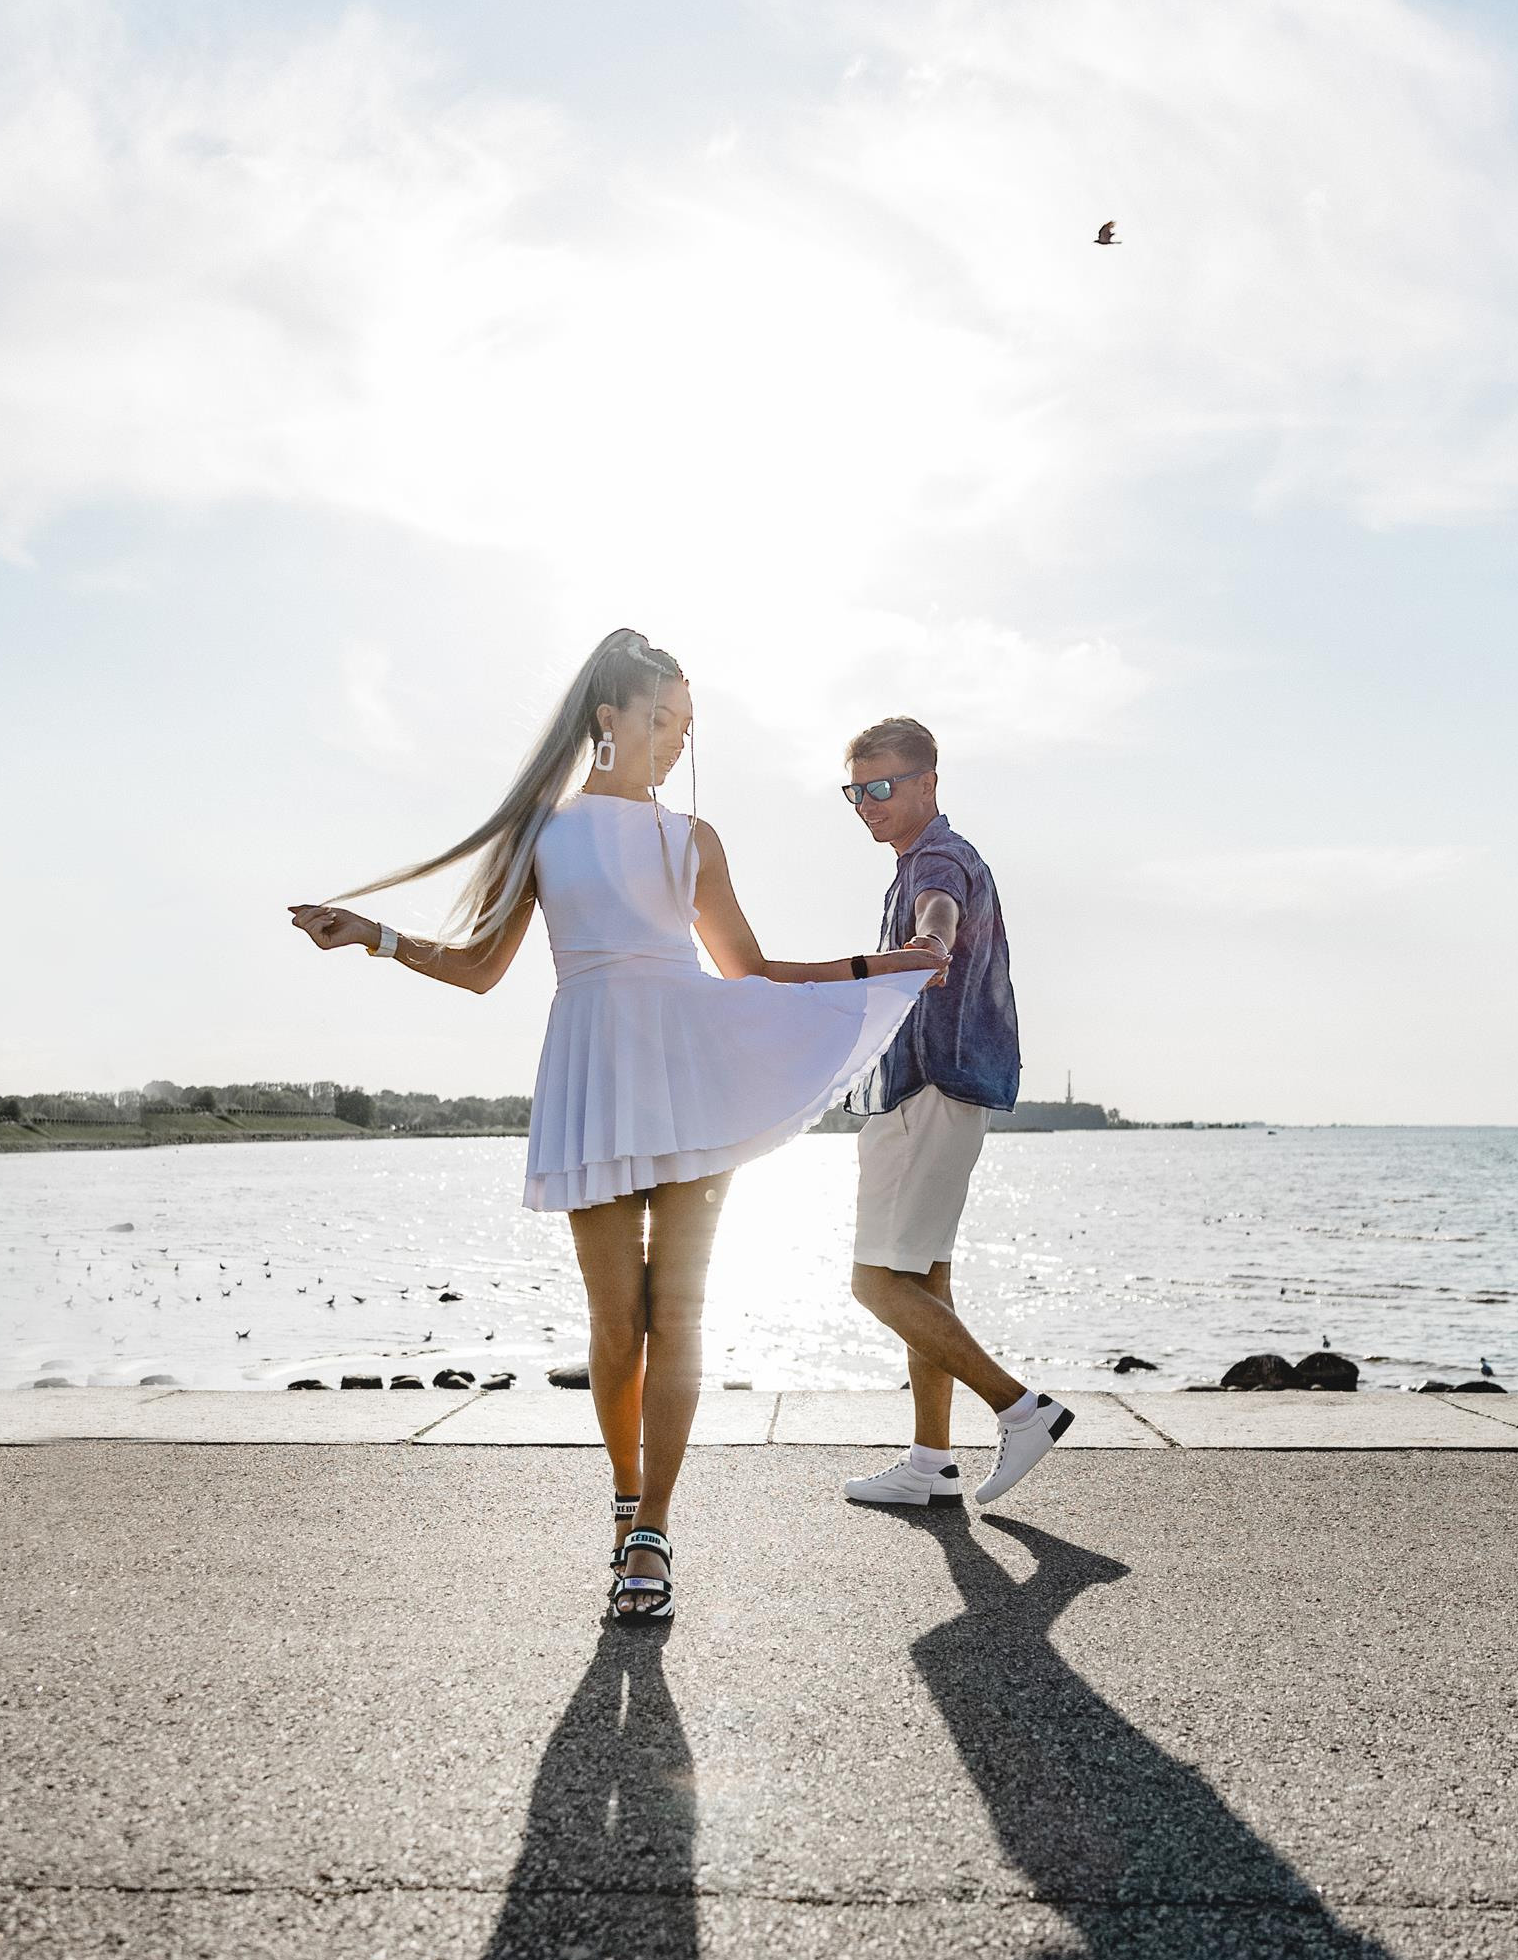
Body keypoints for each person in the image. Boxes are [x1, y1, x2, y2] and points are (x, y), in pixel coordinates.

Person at [289, 631, 944, 1622]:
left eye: (686, 725)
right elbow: (479, 968)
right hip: (591, 1071)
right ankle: (624, 1503)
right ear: (609, 719)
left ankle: (652, 1534)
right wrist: (374, 936)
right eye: (660, 720)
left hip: (694, 1072)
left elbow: (748, 973)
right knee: (615, 1321)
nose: (677, 741)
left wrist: (875, 970)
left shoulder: (693, 840)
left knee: (676, 1315)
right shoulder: (543, 833)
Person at [838, 714, 1073, 1508]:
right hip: (941, 1091)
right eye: (855, 790)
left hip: (925, 1090)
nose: (867, 803)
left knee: (876, 1284)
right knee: (924, 1279)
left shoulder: (937, 858)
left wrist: (932, 946)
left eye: (881, 786)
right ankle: (931, 1461)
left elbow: (935, 915)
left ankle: (1019, 1409)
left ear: (927, 784)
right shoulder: (928, 857)